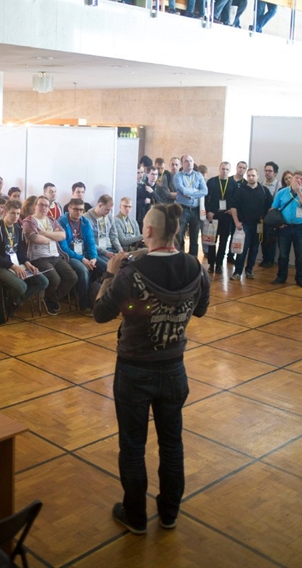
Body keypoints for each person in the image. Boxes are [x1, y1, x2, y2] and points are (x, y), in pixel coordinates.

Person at [93, 203, 209, 534]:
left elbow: (100, 313)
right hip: (174, 368)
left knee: (133, 446)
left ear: (147, 231)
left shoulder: (131, 272)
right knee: (172, 444)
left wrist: (110, 274)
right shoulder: (195, 266)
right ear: (176, 231)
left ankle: (135, 517)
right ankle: (169, 513)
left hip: (134, 370)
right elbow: (201, 309)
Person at [0, 200, 49, 316]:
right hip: (0, 266)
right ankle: (10, 299)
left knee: (43, 281)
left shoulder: (18, 228)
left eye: (18, 213)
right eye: (12, 213)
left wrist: (28, 263)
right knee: (22, 287)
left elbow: (21, 252)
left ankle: (14, 302)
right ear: (5, 212)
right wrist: (13, 266)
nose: (16, 216)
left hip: (17, 264)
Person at [23, 195, 77, 314]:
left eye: (46, 206)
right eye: (41, 205)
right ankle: (49, 299)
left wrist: (43, 233)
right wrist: (53, 236)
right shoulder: (28, 221)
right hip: (39, 258)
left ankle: (51, 298)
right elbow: (37, 239)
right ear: (35, 206)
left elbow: (63, 235)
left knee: (72, 277)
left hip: (55, 256)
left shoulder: (52, 220)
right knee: (55, 279)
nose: (44, 208)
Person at [58, 198, 105, 314]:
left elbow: (90, 242)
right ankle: (84, 305)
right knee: (83, 271)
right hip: (69, 256)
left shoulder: (85, 221)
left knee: (107, 267)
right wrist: (82, 259)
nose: (79, 212)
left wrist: (93, 258)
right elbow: (64, 248)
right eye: (76, 209)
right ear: (69, 209)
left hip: (85, 254)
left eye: (81, 210)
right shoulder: (61, 222)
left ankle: (100, 299)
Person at [229, 169, 272, 282]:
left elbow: (270, 207)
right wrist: (236, 222)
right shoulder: (240, 190)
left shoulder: (264, 190)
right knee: (242, 249)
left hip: (258, 225)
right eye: (249, 176)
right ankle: (237, 272)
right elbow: (233, 207)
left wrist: (266, 219)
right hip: (244, 225)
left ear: (258, 176)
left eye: (253, 175)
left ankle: (249, 270)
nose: (251, 177)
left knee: (254, 248)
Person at [270, 171, 302, 288]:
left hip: (300, 227)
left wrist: (299, 192)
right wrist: (279, 223)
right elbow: (273, 209)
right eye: (297, 178)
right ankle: (281, 276)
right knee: (283, 254)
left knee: (300, 255)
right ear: (292, 179)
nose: (299, 181)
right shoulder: (282, 192)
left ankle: (300, 278)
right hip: (285, 227)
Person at [205, 163, 237, 274]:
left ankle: (219, 264)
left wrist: (231, 209)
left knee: (223, 241)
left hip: (226, 216)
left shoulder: (233, 183)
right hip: (213, 215)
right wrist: (208, 211)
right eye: (223, 169)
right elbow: (206, 198)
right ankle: (211, 264)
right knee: (211, 241)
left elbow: (235, 199)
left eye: (227, 169)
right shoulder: (212, 181)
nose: (224, 171)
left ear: (230, 170)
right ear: (219, 169)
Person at [174, 155, 208, 256]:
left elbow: (205, 191)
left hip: (195, 210)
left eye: (191, 161)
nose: (189, 163)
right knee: (179, 236)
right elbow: (182, 190)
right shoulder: (178, 176)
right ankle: (180, 258)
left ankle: (193, 260)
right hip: (182, 209)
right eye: (186, 161)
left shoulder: (198, 175)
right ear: (182, 164)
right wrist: (196, 191)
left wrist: (190, 193)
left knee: (194, 237)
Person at [84, 195, 124, 267]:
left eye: (110, 210)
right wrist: (105, 252)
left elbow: (113, 236)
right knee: (110, 266)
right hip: (96, 250)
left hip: (109, 248)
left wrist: (120, 250)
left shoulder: (109, 216)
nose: (108, 212)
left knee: (124, 264)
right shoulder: (86, 218)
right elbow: (89, 242)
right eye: (106, 210)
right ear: (100, 205)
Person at [260, 161, 280, 268]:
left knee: (271, 238)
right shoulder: (261, 184)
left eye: (270, 171)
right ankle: (264, 258)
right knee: (262, 238)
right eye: (266, 170)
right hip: (262, 216)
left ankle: (270, 260)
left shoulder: (279, 185)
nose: (267, 173)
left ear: (275, 173)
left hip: (273, 216)